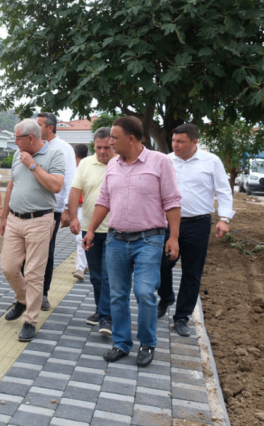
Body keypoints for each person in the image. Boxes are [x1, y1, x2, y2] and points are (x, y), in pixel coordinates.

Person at [83, 116, 181, 367]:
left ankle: (147, 343)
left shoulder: (159, 162)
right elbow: (104, 200)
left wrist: (173, 237)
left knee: (145, 291)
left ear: (132, 139)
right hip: (116, 240)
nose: (111, 142)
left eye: (114, 138)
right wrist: (92, 230)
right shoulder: (114, 165)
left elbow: (172, 201)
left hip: (150, 239)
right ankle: (122, 343)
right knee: (117, 294)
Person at [158, 123, 234, 336]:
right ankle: (166, 297)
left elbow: (224, 191)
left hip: (198, 224)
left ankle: (182, 317)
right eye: (173, 141)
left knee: (192, 273)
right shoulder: (166, 161)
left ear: (194, 142)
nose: (175, 145)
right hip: (167, 223)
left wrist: (224, 218)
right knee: (162, 264)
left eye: (180, 141)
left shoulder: (211, 161)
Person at [1, 118, 65, 341]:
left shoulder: (54, 155)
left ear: (29, 138)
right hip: (14, 219)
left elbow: (56, 186)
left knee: (34, 273)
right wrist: (3, 216)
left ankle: (30, 320)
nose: (15, 142)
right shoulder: (18, 157)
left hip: (40, 220)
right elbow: (12, 185)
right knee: (8, 267)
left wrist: (32, 164)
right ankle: (22, 299)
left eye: (17, 138)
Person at [69, 128, 115, 335]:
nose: (103, 151)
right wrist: (73, 217)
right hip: (91, 229)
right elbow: (75, 190)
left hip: (116, 230)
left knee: (108, 275)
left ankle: (107, 317)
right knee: (96, 275)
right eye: (99, 147)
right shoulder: (86, 164)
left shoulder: (121, 163)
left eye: (107, 147)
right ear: (93, 145)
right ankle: (101, 310)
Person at [36, 112, 76, 310]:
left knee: (47, 253)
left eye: (39, 125)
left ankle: (42, 293)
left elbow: (70, 180)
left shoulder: (63, 149)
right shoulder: (33, 145)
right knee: (28, 253)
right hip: (31, 208)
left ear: (50, 127)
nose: (35, 129)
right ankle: (27, 293)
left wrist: (68, 209)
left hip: (53, 208)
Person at [71, 143, 89, 281]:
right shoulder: (90, 166)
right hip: (90, 207)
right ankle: (86, 265)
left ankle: (80, 268)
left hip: (81, 207)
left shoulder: (77, 169)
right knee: (84, 237)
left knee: (80, 238)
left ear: (75, 155)